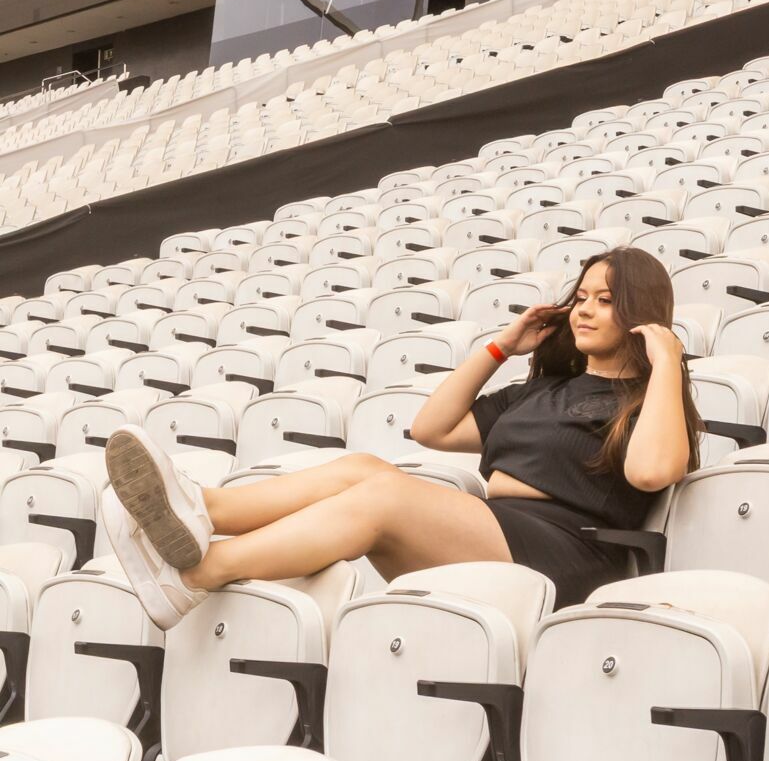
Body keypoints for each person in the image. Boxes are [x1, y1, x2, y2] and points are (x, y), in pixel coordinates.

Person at [101, 246, 703, 628]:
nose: (584, 309)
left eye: (606, 300)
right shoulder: (543, 389)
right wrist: (501, 347)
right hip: (498, 531)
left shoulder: (647, 401)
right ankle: (204, 509)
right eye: (581, 297)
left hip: (564, 557)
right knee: (362, 467)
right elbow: (431, 429)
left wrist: (665, 360)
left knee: (385, 496)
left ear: (641, 314)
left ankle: (200, 574)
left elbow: (652, 472)